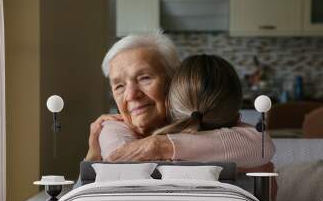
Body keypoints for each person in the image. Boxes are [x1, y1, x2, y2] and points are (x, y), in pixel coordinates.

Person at [85, 31, 275, 171]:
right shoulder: (113, 129)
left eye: (144, 78)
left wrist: (159, 146)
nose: (131, 95)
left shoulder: (206, 120)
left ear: (173, 80)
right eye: (119, 86)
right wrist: (91, 159)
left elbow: (260, 146)